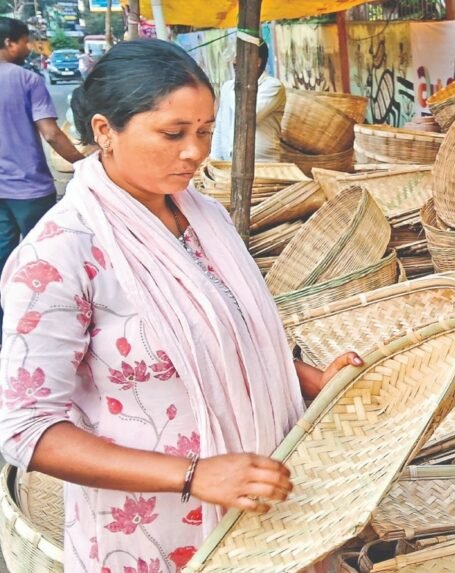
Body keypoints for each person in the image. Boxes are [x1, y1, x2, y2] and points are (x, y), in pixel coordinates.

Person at [0, 39, 362, 573]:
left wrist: (312, 380)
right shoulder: (60, 254)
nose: (194, 152)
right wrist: (194, 475)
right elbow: (27, 430)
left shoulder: (205, 219)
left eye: (204, 131)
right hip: (155, 535)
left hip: (265, 510)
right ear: (105, 130)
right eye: (172, 134)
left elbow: (226, 337)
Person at [0, 17, 85, 334]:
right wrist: (82, 162)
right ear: (9, 43)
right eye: (25, 41)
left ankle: (7, 329)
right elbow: (50, 133)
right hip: (30, 189)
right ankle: (47, 327)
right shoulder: (27, 80)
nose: (29, 47)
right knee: (47, 260)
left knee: (3, 259)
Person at [211, 41, 285, 163]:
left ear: (257, 62)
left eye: (239, 57)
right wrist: (214, 161)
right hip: (229, 163)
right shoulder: (227, 87)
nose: (234, 62)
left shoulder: (273, 86)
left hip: (263, 164)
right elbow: (220, 127)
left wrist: (238, 85)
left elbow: (246, 117)